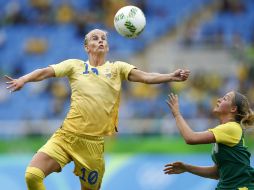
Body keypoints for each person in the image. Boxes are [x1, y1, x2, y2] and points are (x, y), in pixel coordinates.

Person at [5, 29, 190, 190]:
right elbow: (45, 72)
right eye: (95, 38)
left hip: (92, 146)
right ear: (87, 47)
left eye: (103, 38)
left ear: (107, 47)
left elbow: (146, 77)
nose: (100, 40)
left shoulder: (118, 68)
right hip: (66, 136)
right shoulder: (75, 66)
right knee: (32, 175)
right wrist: (23, 79)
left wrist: (170, 76)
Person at [164, 91, 254, 190]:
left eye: (225, 98)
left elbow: (190, 138)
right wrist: (186, 168)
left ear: (233, 109)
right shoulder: (224, 131)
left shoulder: (231, 128)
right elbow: (217, 173)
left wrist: (177, 114)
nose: (219, 99)